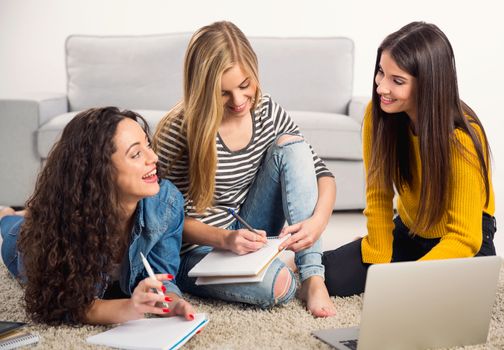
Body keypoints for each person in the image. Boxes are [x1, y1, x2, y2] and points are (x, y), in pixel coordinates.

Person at [153, 21, 337, 317]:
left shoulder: (266, 110)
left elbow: (322, 174)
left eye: (244, 85)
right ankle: (280, 271)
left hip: (249, 230)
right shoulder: (178, 130)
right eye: (223, 93)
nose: (239, 101)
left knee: (293, 145)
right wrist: (225, 240)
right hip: (199, 249)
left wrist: (317, 223)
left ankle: (314, 277)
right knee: (281, 286)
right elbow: (164, 219)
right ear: (202, 89)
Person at [322, 21, 497, 296]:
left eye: (397, 81)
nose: (381, 87)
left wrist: (406, 281)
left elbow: (465, 237)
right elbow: (378, 194)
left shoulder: (462, 138)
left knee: (432, 305)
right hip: (411, 229)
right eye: (381, 72)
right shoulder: (377, 116)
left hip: (465, 241)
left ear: (427, 85)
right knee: (330, 275)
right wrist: (378, 256)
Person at [0, 107, 196, 325]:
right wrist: (127, 308)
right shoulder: (62, 228)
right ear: (100, 171)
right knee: (12, 225)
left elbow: (163, 277)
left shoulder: (166, 202)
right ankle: (8, 213)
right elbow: (62, 305)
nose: (154, 157)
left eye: (147, 145)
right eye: (136, 154)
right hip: (19, 241)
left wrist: (174, 302)